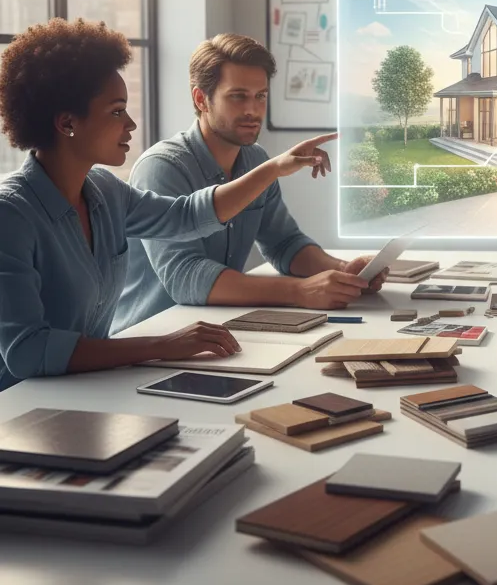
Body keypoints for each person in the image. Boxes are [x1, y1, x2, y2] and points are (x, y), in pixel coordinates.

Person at [0, 19, 340, 391]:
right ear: (67, 123)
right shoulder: (11, 214)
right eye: (116, 111)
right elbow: (27, 353)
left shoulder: (105, 191)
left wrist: (273, 168)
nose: (130, 124)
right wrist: (164, 346)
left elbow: (186, 215)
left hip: (90, 388)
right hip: (19, 407)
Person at [114, 35, 386, 332]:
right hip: (150, 340)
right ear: (201, 99)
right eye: (238, 96)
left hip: (218, 330)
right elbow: (185, 277)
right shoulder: (162, 168)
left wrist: (344, 273)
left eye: (260, 96)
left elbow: (285, 244)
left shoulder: (256, 160)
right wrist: (300, 291)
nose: (253, 110)